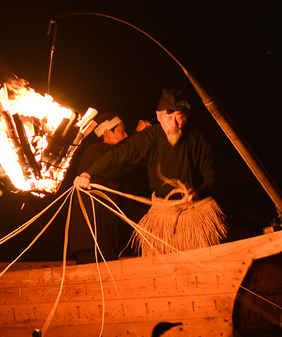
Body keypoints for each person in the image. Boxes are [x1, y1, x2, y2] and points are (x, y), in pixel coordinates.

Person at [74, 89, 226, 255]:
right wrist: (87, 174)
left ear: (187, 117)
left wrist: (198, 192)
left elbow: (212, 177)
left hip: (196, 215)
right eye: (168, 117)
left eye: (179, 116)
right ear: (158, 116)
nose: (174, 124)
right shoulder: (149, 137)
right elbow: (118, 155)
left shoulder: (198, 139)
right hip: (161, 217)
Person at [68, 111, 133, 264]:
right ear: (107, 133)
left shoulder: (102, 152)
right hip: (92, 241)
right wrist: (138, 136)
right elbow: (117, 162)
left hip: (103, 240)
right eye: (122, 131)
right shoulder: (96, 152)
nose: (126, 135)